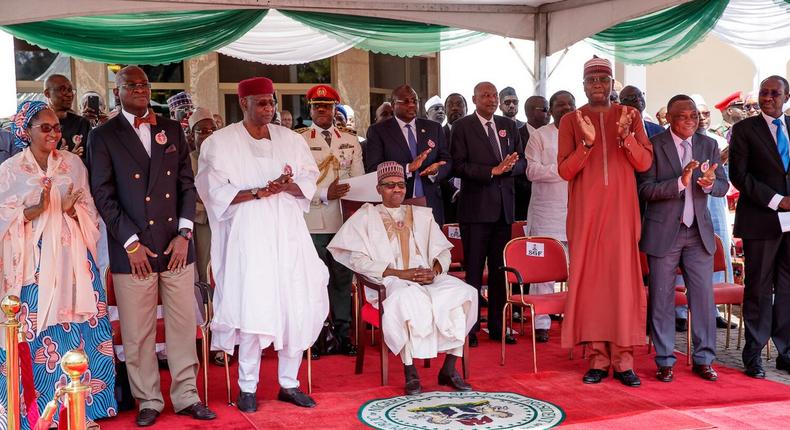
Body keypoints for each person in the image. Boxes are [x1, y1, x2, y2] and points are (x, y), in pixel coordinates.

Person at [88, 66, 215, 426]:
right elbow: (103, 194)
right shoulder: (104, 135)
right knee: (138, 330)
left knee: (181, 323)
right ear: (118, 92)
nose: (141, 90)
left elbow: (187, 186)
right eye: (132, 85)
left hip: (175, 244)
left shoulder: (171, 128)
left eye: (144, 84)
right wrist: (130, 242)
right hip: (133, 250)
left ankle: (187, 395)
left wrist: (185, 234)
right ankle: (148, 400)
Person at [195, 76, 329, 412]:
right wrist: (258, 191)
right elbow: (212, 191)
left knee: (293, 304)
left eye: (271, 102)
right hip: (248, 236)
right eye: (261, 103)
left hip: (289, 233)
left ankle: (289, 383)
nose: (269, 109)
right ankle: (248, 387)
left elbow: (309, 180)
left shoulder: (291, 139)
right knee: (254, 306)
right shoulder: (220, 142)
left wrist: (286, 187)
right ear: (243, 104)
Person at [0, 101, 116, 427]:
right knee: (35, 332)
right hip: (32, 265)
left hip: (74, 260)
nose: (53, 134)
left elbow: (91, 212)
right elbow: (2, 217)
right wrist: (32, 211)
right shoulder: (10, 170)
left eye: (56, 127)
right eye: (45, 128)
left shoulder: (73, 164)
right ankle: (34, 414)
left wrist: (68, 210)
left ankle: (82, 410)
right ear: (26, 132)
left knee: (78, 328)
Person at [328, 161, 477, 395]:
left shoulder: (421, 215)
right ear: (378, 189)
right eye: (389, 186)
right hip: (389, 280)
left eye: (400, 185)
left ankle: (449, 368)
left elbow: (443, 250)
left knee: (465, 294)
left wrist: (434, 271)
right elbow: (357, 261)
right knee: (408, 299)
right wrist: (400, 273)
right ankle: (411, 373)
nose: (396, 189)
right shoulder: (365, 216)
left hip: (427, 277)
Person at [558, 56, 653, 387]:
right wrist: (587, 144)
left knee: (623, 283)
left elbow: (643, 163)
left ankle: (624, 360)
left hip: (622, 213)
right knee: (594, 284)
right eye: (591, 81)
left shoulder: (631, 115)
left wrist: (626, 137)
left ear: (613, 84)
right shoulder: (572, 119)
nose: (598, 85)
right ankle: (598, 358)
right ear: (583, 86)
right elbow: (565, 170)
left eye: (604, 80)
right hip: (586, 215)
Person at [638, 95, 728, 383]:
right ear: (668, 118)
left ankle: (704, 359)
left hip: (698, 233)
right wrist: (680, 182)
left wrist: (711, 184)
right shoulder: (654, 146)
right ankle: (665, 360)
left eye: (694, 115)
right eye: (683, 115)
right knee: (662, 298)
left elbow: (723, 185)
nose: (691, 119)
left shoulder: (709, 144)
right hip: (665, 232)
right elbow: (645, 190)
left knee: (703, 298)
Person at [451, 81, 526, 347]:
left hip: (504, 212)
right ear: (474, 99)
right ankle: (470, 329)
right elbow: (458, 166)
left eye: (494, 95)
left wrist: (508, 168)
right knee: (473, 272)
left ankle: (498, 326)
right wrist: (491, 172)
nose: (492, 99)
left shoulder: (509, 126)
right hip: (475, 211)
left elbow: (522, 162)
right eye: (485, 95)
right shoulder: (462, 127)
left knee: (499, 272)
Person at [729, 75, 790, 379]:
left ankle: (786, 352)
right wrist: (778, 200)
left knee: (788, 288)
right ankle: (753, 353)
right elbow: (739, 176)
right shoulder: (743, 130)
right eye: (764, 93)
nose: (768, 98)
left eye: (774, 93)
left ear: (786, 97)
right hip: (762, 218)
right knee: (758, 288)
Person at [298, 84, 363, 357]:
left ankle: (342, 333)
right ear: (311, 110)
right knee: (314, 281)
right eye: (316, 106)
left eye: (326, 106)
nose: (322, 110)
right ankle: (314, 336)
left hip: (342, 221)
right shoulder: (299, 140)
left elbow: (358, 181)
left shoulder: (349, 140)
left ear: (335, 108)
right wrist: (325, 193)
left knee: (340, 279)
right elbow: (297, 183)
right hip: (312, 221)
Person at [524, 90, 575, 343]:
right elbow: (531, 171)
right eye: (560, 105)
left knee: (578, 271)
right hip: (546, 214)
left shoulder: (585, 135)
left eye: (569, 104)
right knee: (543, 272)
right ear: (551, 110)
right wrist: (565, 170)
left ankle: (577, 319)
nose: (565, 108)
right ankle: (541, 322)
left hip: (577, 213)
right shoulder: (539, 136)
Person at [365, 84, 452, 225]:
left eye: (414, 101)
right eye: (405, 101)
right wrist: (407, 169)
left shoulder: (433, 128)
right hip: (397, 204)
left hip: (431, 203)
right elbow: (374, 169)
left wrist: (436, 170)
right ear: (393, 105)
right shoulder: (378, 132)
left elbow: (446, 160)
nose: (411, 105)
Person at [186, 107, 217, 284]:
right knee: (206, 267)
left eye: (213, 130)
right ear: (192, 135)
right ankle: (207, 305)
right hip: (201, 222)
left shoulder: (226, 157)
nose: (209, 135)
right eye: (203, 131)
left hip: (225, 219)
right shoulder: (187, 160)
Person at [44, 74, 90, 160]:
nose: (69, 94)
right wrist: (63, 159)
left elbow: (91, 158)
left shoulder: (82, 123)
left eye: (70, 90)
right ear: (47, 93)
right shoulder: (39, 125)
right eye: (62, 90)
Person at [441, 93, 467, 224]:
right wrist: (454, 191)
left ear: (466, 109)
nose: (455, 108)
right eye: (450, 105)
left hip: (475, 197)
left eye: (459, 104)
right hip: (447, 199)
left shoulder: (477, 134)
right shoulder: (437, 134)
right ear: (445, 110)